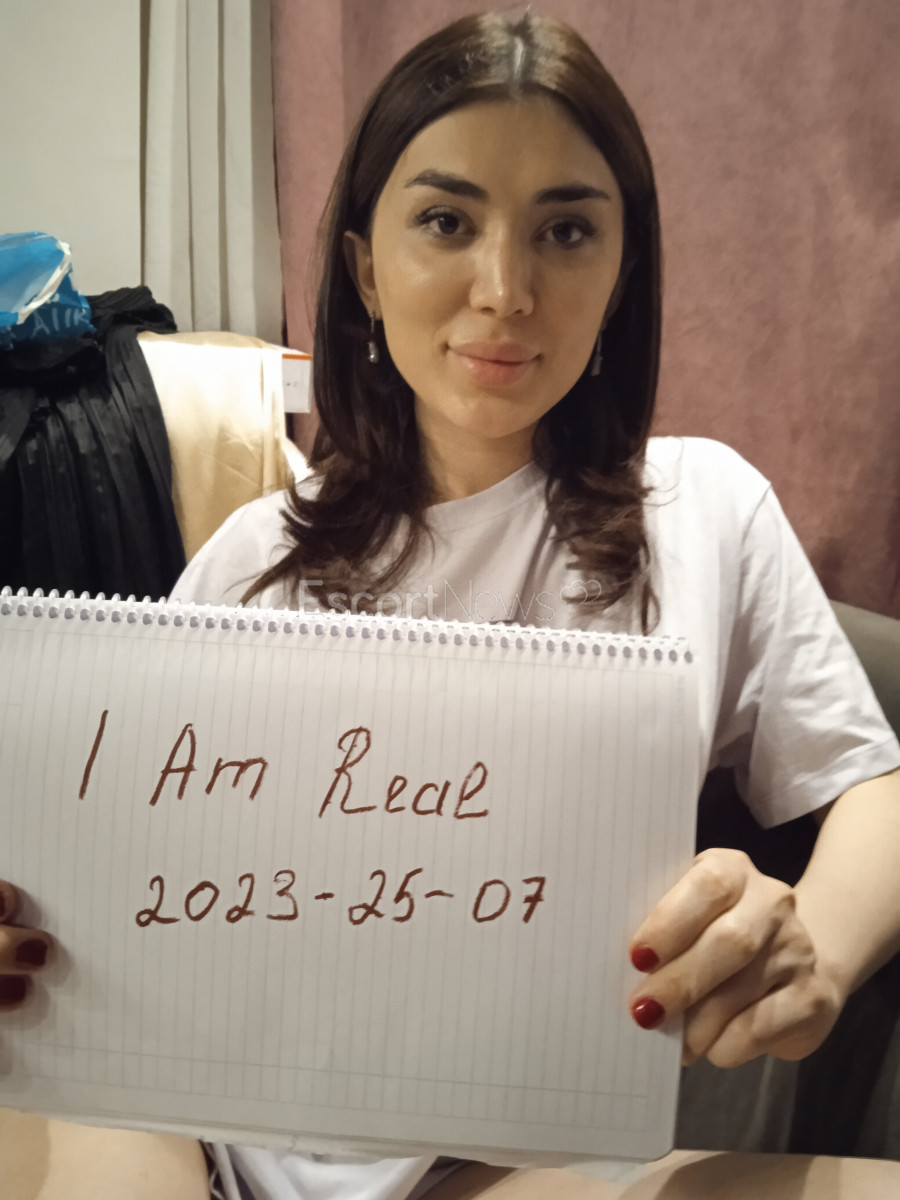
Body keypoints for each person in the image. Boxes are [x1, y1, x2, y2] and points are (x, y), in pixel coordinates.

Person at [2, 11, 900, 1200]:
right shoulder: (253, 562)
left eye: (566, 230)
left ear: (622, 272)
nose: (505, 290)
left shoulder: (703, 513)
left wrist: (810, 954)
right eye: (446, 221)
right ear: (367, 267)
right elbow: (111, 862)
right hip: (195, 1117)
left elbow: (871, 782)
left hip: (504, 1152)